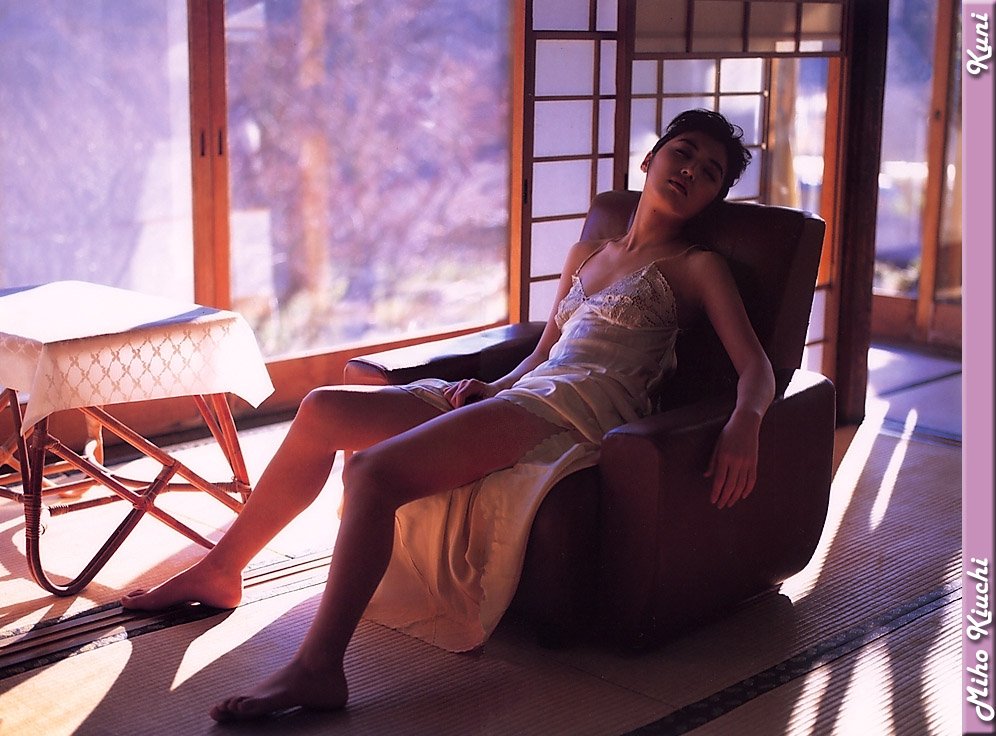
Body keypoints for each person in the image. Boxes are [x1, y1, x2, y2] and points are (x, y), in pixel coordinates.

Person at [120, 109, 775, 722]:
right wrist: (491, 386)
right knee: (321, 409)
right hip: (527, 391)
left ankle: (319, 667)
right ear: (651, 160)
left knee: (374, 474)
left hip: (574, 410)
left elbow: (757, 368)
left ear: (713, 198)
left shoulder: (697, 267)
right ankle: (223, 569)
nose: (689, 171)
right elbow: (544, 353)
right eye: (682, 153)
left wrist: (744, 422)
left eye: (709, 172)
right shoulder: (589, 255)